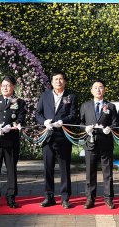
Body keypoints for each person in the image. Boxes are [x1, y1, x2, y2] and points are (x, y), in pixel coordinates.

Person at [35, 70, 78, 208]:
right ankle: (49, 196)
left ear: (64, 81)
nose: (58, 81)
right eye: (55, 79)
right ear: (51, 82)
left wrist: (62, 121)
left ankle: (65, 198)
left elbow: (73, 114)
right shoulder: (45, 95)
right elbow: (38, 113)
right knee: (48, 168)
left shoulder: (70, 96)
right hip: (48, 137)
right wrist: (44, 122)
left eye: (61, 79)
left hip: (63, 137)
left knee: (65, 168)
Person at [0, 76, 26, 209]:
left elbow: (21, 118)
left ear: (13, 87)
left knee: (11, 170)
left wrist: (13, 125)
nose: (4, 88)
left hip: (11, 141)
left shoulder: (19, 102)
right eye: (2, 85)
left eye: (8, 85)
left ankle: (11, 197)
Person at [79, 79, 119, 209]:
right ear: (91, 90)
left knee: (107, 173)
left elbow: (116, 123)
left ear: (105, 90)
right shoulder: (85, 106)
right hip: (90, 144)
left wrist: (110, 128)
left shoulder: (111, 106)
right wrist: (85, 128)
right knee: (90, 173)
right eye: (95, 87)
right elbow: (80, 123)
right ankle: (90, 198)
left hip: (105, 143)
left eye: (101, 87)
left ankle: (108, 198)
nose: (98, 90)